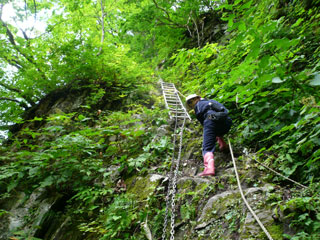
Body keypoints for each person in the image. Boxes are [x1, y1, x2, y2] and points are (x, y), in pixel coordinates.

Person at [186, 94, 232, 176]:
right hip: (226, 121)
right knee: (216, 130)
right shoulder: (211, 102)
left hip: (210, 119)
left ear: (196, 99)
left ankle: (209, 168)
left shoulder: (199, 105)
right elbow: (225, 111)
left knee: (207, 147)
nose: (191, 105)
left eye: (190, 102)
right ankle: (223, 144)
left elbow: (205, 123)